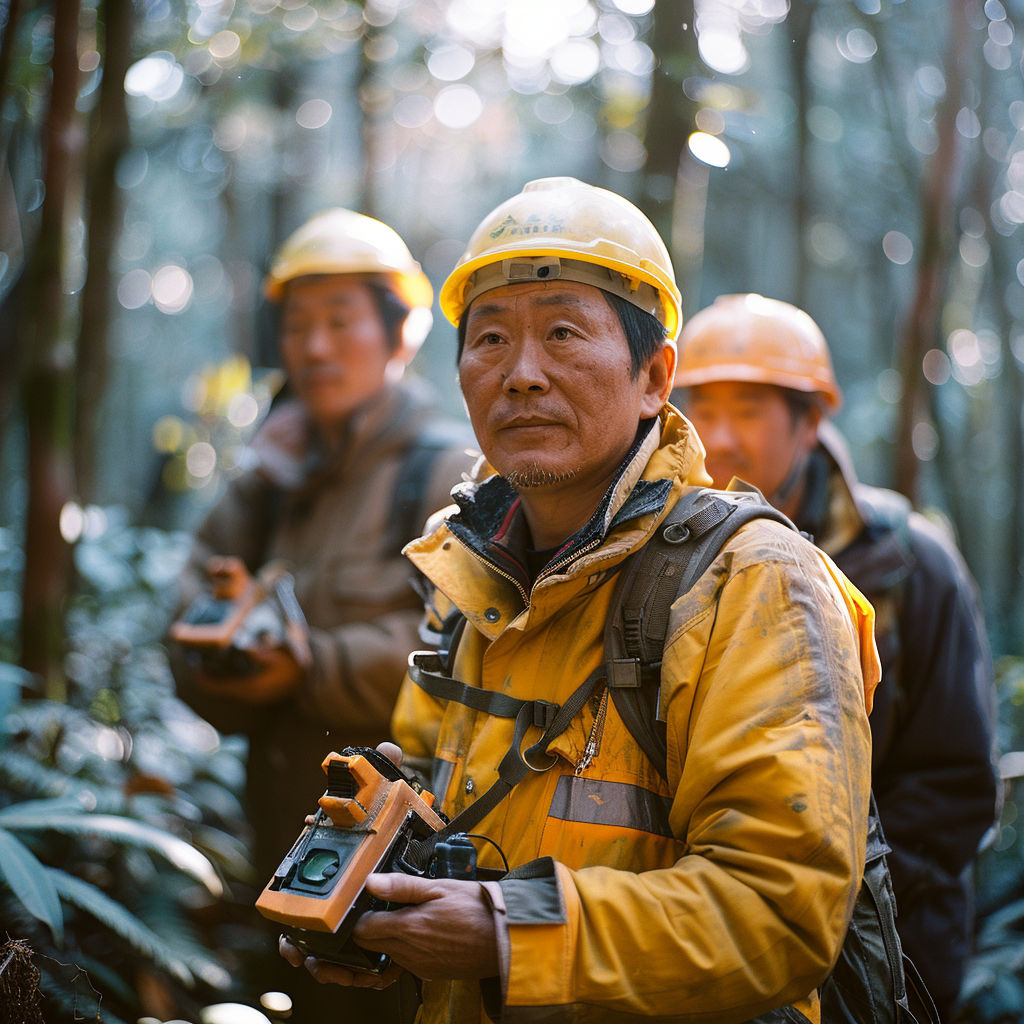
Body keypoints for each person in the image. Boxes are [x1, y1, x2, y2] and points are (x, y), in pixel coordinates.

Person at [280, 178, 882, 1023]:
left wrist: (507, 934)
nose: (522, 375)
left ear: (654, 377)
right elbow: (426, 792)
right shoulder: (468, 577)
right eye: (490, 339)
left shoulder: (753, 582)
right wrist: (368, 899)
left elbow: (779, 914)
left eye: (564, 332)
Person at [169, 208, 476, 1021]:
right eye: (298, 325)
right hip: (275, 852)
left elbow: (464, 653)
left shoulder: (445, 473)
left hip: (396, 881)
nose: (314, 347)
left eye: (341, 322)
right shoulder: (266, 479)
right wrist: (232, 673)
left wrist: (308, 667)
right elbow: (185, 617)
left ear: (399, 334)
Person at [672, 292, 999, 1019]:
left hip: (892, 953)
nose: (720, 437)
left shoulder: (911, 564)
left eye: (750, 410)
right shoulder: (663, 563)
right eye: (704, 408)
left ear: (812, 421)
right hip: (712, 947)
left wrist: (830, 898)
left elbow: (954, 784)